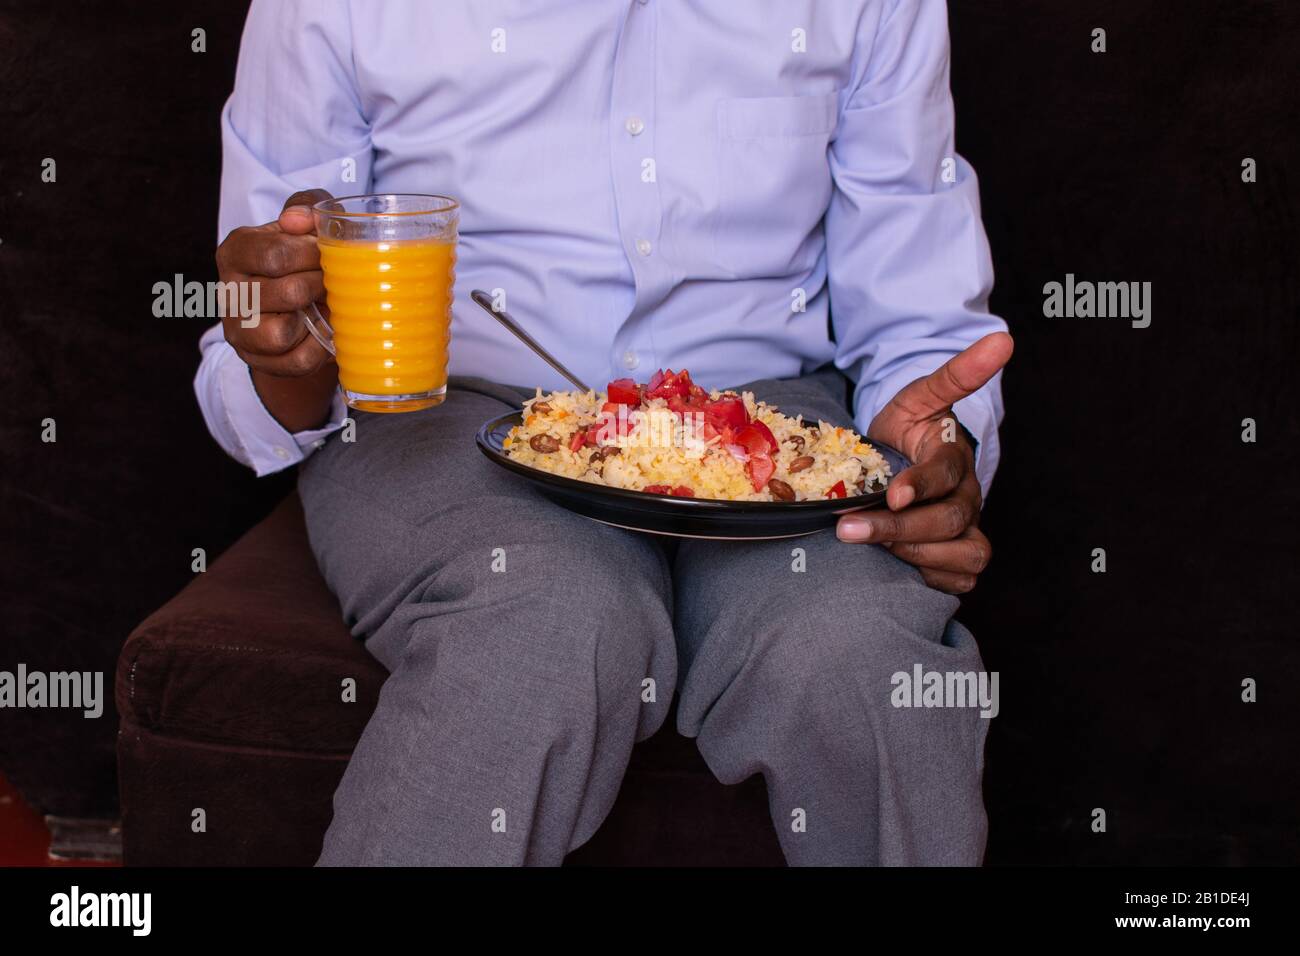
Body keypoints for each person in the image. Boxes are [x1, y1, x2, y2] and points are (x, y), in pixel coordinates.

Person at [197, 0, 1013, 866]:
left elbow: (915, 315)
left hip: (768, 416)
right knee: (543, 623)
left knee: (859, 647)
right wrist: (283, 346)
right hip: (450, 406)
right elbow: (258, 362)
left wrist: (934, 442)